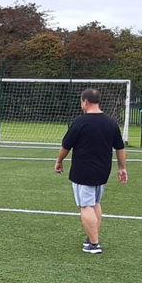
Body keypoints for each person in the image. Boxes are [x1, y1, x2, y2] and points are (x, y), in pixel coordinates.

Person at [54, 88, 128, 254]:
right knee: (95, 203)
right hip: (103, 171)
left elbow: (66, 146)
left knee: (85, 205)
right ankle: (92, 238)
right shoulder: (111, 122)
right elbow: (120, 148)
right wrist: (122, 168)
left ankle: (94, 244)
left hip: (83, 172)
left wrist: (59, 161)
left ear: (85, 102)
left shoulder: (80, 122)